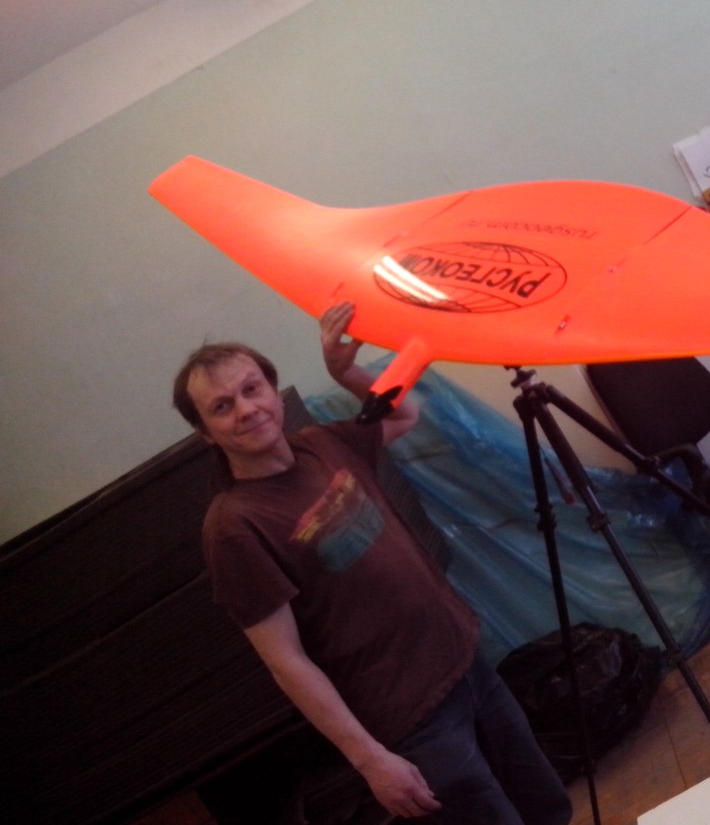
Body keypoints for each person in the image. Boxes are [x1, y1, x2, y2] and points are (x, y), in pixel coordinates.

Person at [173, 302, 572, 824]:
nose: (246, 409)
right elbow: (286, 661)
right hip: (410, 717)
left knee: (547, 807)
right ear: (205, 433)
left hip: (465, 663)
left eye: (252, 389)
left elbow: (405, 414)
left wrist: (346, 373)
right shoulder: (234, 526)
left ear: (272, 389)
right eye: (223, 407)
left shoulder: (320, 444)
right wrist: (369, 760)